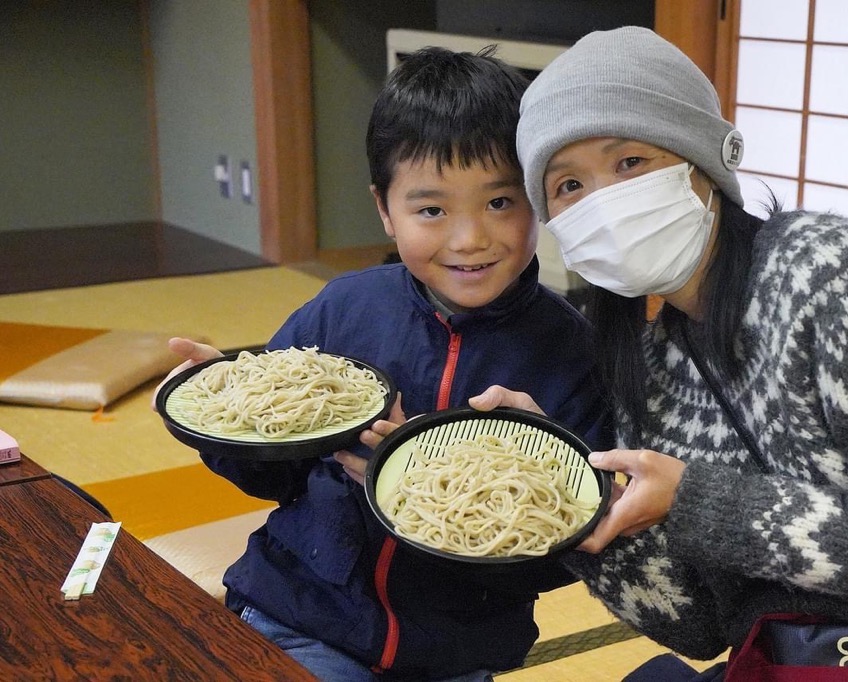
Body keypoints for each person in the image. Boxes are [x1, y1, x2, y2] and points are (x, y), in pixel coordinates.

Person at [470, 25, 848, 680]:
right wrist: (564, 496)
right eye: (568, 187)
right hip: (799, 656)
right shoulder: (649, 368)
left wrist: (694, 501)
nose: (605, 203)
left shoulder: (835, 277)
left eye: (629, 164)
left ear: (700, 159)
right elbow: (702, 624)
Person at [156, 46, 611, 681]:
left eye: (500, 203)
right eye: (431, 210)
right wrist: (226, 412)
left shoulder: (571, 348)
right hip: (306, 612)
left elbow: (566, 548)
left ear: (535, 199)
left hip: (459, 649)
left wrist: (428, 476)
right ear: (384, 209)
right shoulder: (346, 307)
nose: (469, 238)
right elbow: (270, 479)